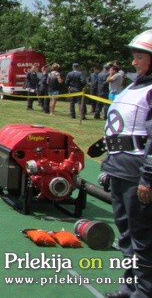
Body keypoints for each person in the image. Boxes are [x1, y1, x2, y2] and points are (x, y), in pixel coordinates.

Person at [100, 29, 152, 298]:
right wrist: (108, 162)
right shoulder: (133, 86)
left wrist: (148, 178)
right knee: (125, 234)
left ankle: (144, 292)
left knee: (143, 238)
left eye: (139, 56)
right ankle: (129, 287)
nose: (134, 62)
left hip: (138, 173)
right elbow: (118, 126)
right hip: (119, 168)